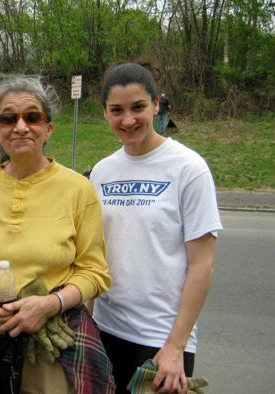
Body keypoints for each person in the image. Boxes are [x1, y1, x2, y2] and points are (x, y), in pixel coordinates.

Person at [0, 74, 115, 394]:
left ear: (48, 128)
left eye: (32, 117)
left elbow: (94, 272)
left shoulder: (78, 190)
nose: (20, 126)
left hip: (53, 345)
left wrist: (51, 304)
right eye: (9, 118)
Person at [88, 62, 222, 394]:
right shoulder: (102, 172)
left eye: (138, 107)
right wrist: (86, 328)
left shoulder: (189, 169)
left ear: (156, 105)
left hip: (161, 340)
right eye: (116, 110)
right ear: (105, 113)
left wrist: (175, 347)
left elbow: (202, 265)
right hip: (105, 330)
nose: (128, 119)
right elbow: (92, 255)